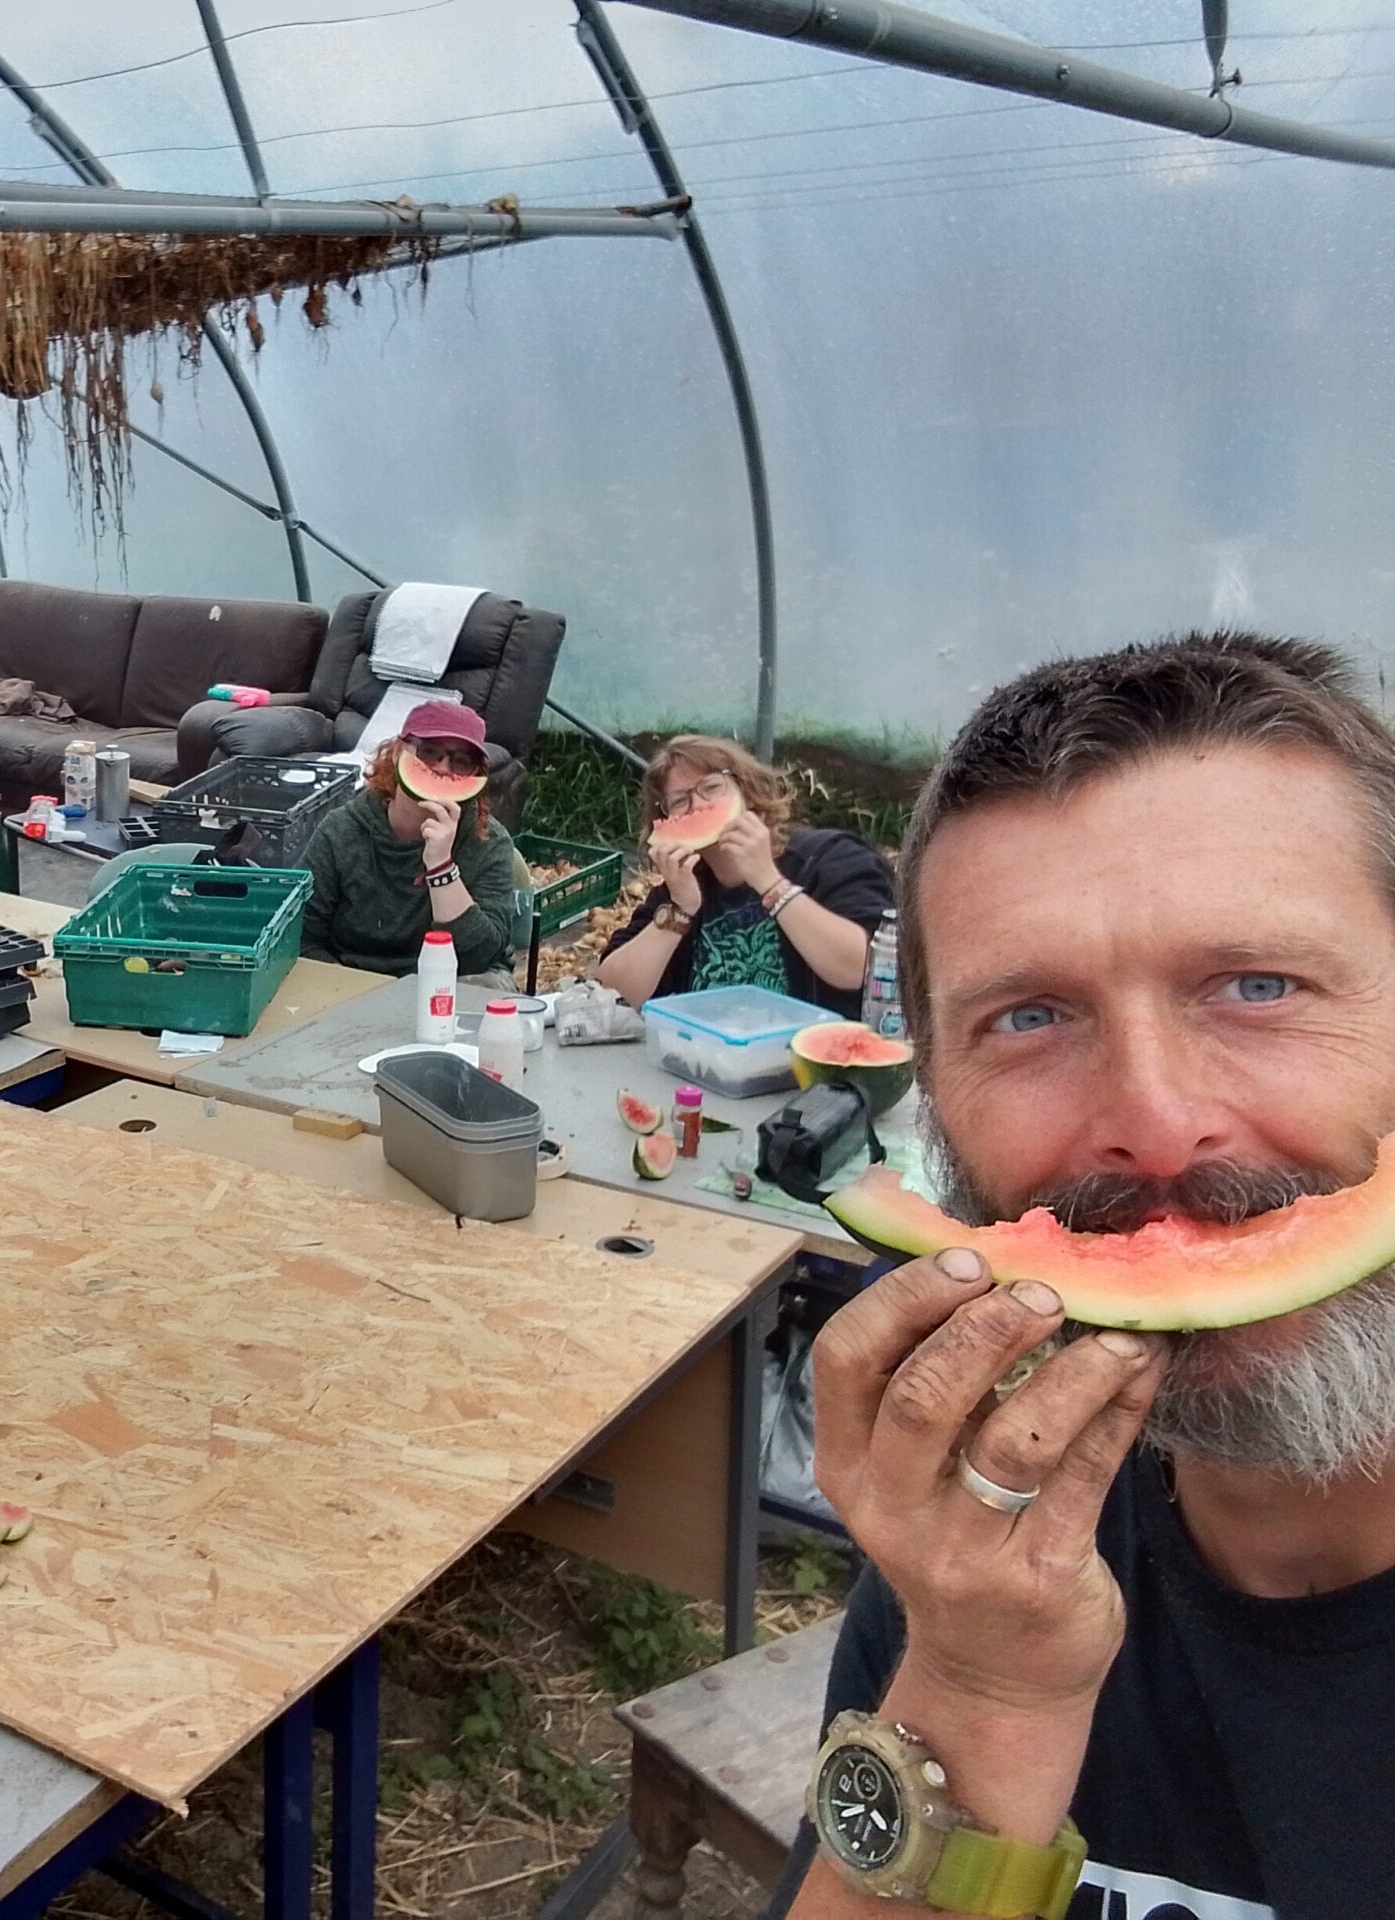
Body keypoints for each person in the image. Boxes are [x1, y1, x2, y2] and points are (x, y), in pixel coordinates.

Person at [772, 634, 1395, 1920]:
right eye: (1030, 1019)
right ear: (935, 1102)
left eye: (1257, 986)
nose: (1155, 1126)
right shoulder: (988, 1554)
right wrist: (981, 1684)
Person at [597, 735, 894, 1019]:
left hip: (819, 1066)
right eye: (680, 802)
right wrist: (679, 910)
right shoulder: (682, 889)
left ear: (747, 792)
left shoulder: (829, 857)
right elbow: (614, 993)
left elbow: (864, 969)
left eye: (711, 788)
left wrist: (770, 882)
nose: (699, 805)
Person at [300, 702, 520, 982]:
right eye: (429, 752)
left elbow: (481, 958)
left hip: (454, 982)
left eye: (461, 762)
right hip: (353, 981)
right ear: (396, 754)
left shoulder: (490, 842)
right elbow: (301, 937)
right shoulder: (341, 831)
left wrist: (441, 867)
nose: (442, 768)